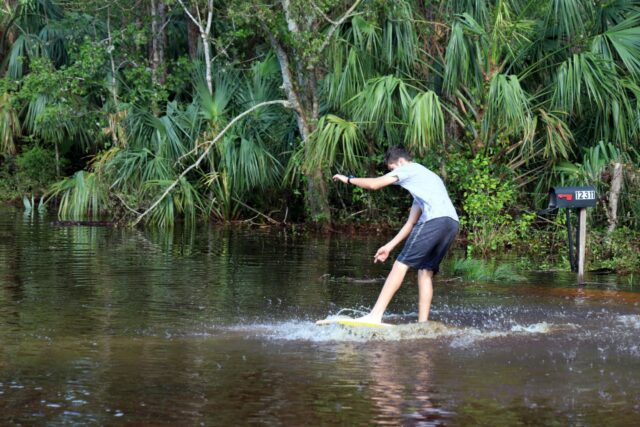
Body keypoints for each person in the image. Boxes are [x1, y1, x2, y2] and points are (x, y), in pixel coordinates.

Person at [332, 146, 459, 323]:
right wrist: (389, 246)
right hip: (452, 223)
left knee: (400, 265)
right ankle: (423, 324)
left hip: (435, 221)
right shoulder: (426, 179)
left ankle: (374, 316)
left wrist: (348, 179)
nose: (393, 174)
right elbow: (411, 223)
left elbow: (374, 184)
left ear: (400, 162)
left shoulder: (409, 169)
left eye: (392, 169)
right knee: (425, 271)